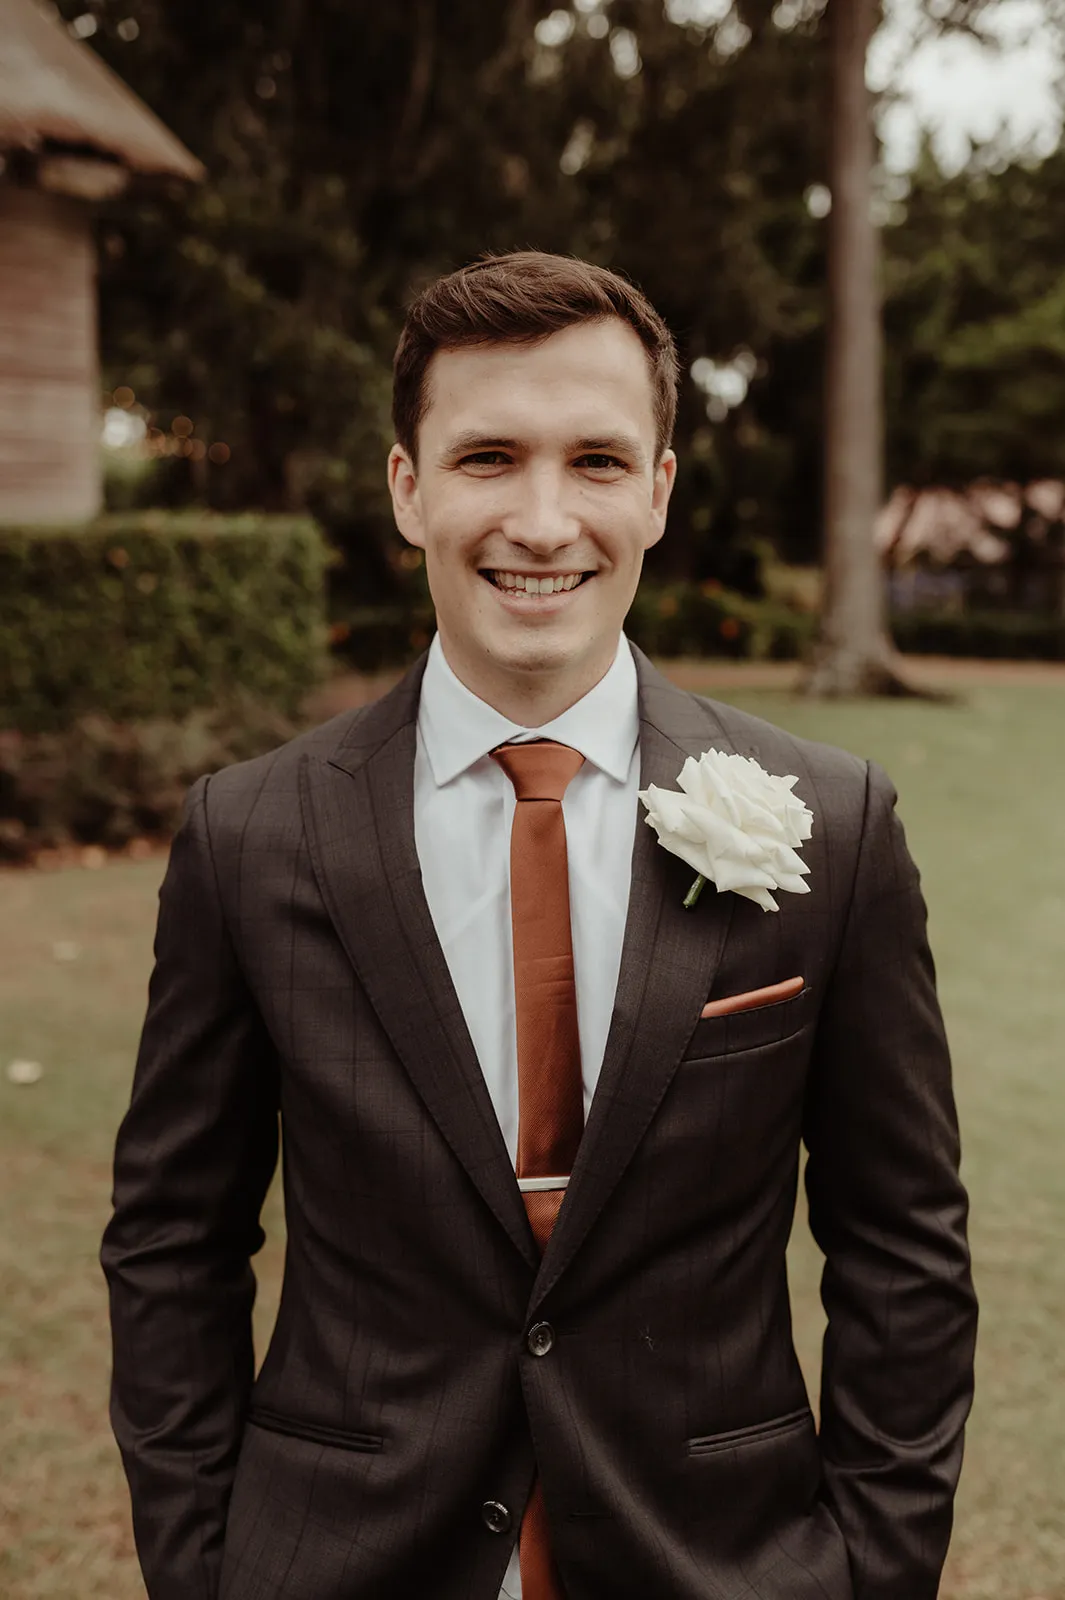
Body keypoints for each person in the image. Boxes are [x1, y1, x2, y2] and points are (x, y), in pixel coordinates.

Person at [102, 251, 977, 1600]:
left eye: (598, 462)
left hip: (723, 1559)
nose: (544, 518)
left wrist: (876, 1569)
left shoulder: (837, 826)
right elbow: (174, 1241)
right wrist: (202, 1563)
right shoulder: (250, 834)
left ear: (661, 493)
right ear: (409, 487)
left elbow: (902, 1243)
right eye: (490, 457)